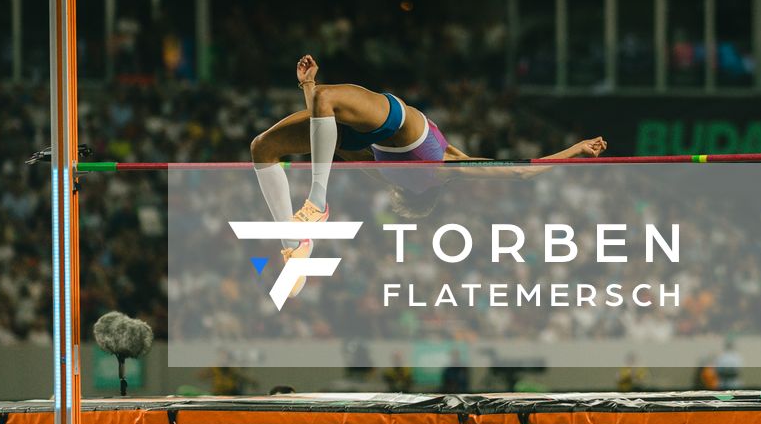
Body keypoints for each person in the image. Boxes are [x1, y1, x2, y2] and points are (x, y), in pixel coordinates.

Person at [251, 54, 608, 296]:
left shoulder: (402, 173)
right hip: (369, 124)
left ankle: (314, 207)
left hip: (387, 119)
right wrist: (309, 88)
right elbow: (520, 173)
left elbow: (323, 123)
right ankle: (295, 244)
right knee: (271, 141)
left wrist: (309, 87)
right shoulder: (440, 170)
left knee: (264, 146)